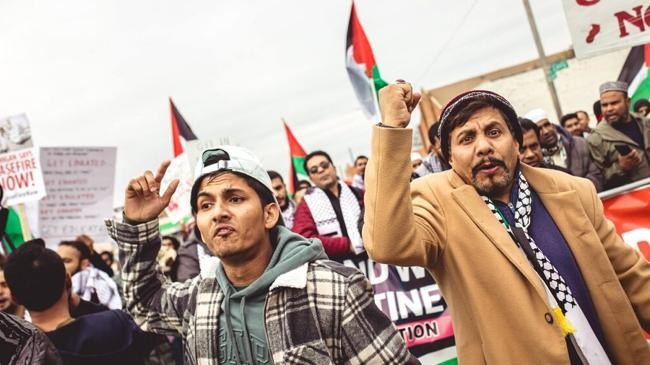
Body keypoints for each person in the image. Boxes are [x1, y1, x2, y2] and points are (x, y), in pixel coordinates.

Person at [363, 81, 650, 364]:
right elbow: (386, 243)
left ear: (516, 141)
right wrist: (391, 131)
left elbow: (629, 274)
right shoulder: (436, 204)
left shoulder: (572, 190)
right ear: (449, 157)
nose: (484, 146)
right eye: (467, 138)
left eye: (494, 132)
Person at [105, 146, 417, 364]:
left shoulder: (333, 290)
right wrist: (139, 225)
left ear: (270, 214)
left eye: (235, 198)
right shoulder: (199, 298)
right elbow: (144, 303)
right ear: (199, 229)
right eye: (205, 205)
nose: (219, 213)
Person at [4, 242, 157, 364]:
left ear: (15, 297)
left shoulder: (17, 354)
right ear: (69, 280)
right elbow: (152, 334)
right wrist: (83, 306)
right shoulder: (114, 326)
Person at [293, 150, 365, 261]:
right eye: (314, 170)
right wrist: (346, 245)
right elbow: (304, 239)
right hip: (335, 268)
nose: (321, 170)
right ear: (311, 178)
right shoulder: (305, 205)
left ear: (334, 168)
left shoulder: (358, 193)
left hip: (372, 261)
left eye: (324, 165)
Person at [587, 81, 650, 189]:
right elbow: (599, 180)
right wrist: (620, 167)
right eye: (604, 105)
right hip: (635, 199)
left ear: (628, 102)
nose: (609, 109)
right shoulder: (596, 138)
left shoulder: (644, 122)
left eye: (614, 103)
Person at [524, 108, 603, 191]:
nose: (546, 131)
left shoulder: (579, 144)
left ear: (553, 125)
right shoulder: (535, 159)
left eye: (547, 125)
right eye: (539, 129)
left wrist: (579, 191)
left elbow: (596, 174)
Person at [57, 240, 122, 310]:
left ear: (84, 263)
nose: (59, 265)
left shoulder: (98, 287)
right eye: (57, 260)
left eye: (66, 261)